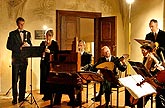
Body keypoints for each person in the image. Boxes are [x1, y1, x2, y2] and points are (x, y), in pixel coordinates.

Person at [6, 17, 32, 105]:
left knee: (23, 79)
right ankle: (14, 98)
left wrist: (28, 45)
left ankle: (21, 97)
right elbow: (8, 46)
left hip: (24, 60)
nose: (22, 26)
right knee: (15, 79)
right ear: (17, 24)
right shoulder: (12, 34)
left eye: (23, 24)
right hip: (16, 60)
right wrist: (19, 48)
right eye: (21, 24)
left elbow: (30, 44)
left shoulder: (28, 33)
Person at [40, 29, 59, 101]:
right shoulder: (42, 43)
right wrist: (43, 51)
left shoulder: (54, 43)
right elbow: (39, 51)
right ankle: (45, 95)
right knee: (44, 78)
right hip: (44, 63)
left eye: (49, 36)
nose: (48, 37)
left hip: (51, 63)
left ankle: (51, 95)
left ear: (52, 36)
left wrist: (50, 51)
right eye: (47, 35)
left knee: (50, 78)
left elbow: (57, 52)